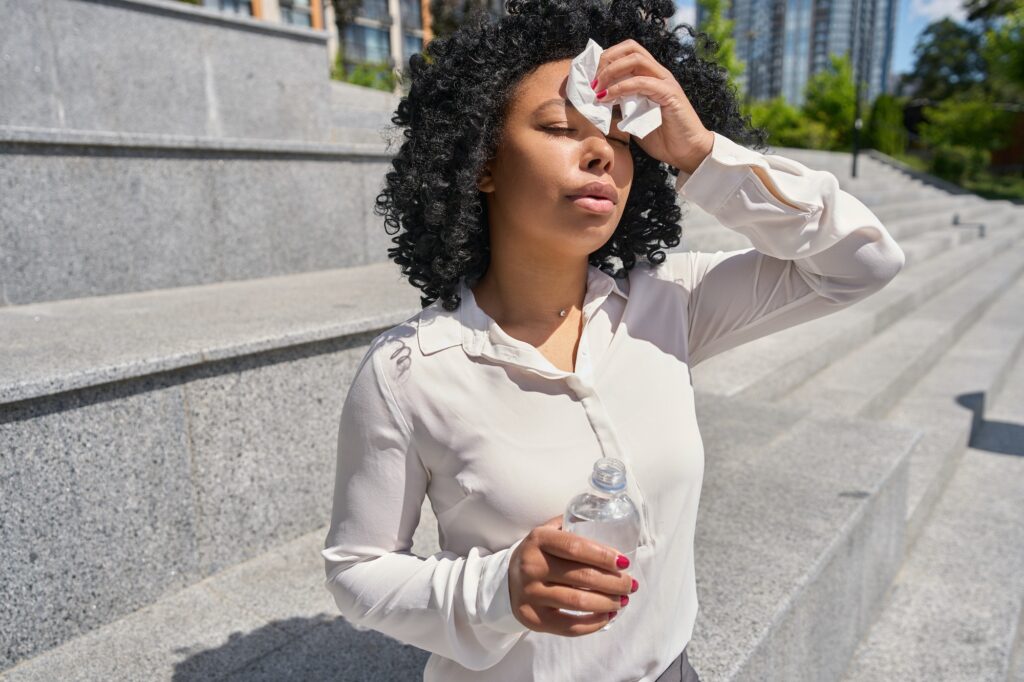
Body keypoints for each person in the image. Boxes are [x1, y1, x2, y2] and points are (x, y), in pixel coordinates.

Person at [321, 0, 906, 678]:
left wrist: (700, 152)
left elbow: (865, 262)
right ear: (481, 161)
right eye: (559, 127)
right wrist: (498, 589)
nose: (601, 151)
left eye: (622, 139)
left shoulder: (671, 304)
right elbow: (356, 572)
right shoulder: (411, 370)